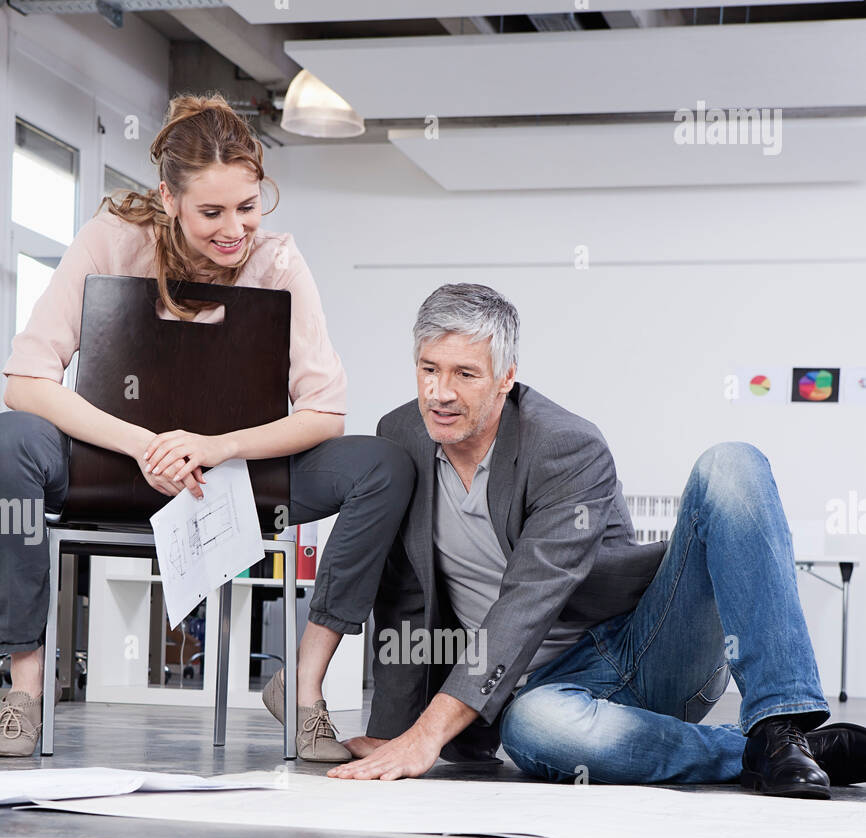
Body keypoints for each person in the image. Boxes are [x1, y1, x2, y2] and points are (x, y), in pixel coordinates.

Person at [0, 92, 414, 761]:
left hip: (237, 476)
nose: (234, 230)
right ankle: (23, 688)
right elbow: (26, 380)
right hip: (111, 468)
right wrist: (144, 444)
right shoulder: (110, 238)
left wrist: (216, 447)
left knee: (386, 466)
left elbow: (324, 413)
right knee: (9, 437)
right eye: (211, 212)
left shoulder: (278, 262)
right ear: (169, 198)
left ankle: (302, 688)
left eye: (247, 208)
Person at [330, 281, 865, 794]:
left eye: (465, 374)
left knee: (731, 464)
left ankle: (781, 725)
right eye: (428, 369)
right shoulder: (400, 434)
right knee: (537, 730)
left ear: (505, 376)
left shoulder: (564, 445)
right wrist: (400, 731)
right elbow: (406, 593)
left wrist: (429, 734)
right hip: (535, 699)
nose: (440, 394)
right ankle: (768, 755)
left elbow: (528, 599)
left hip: (640, 652)